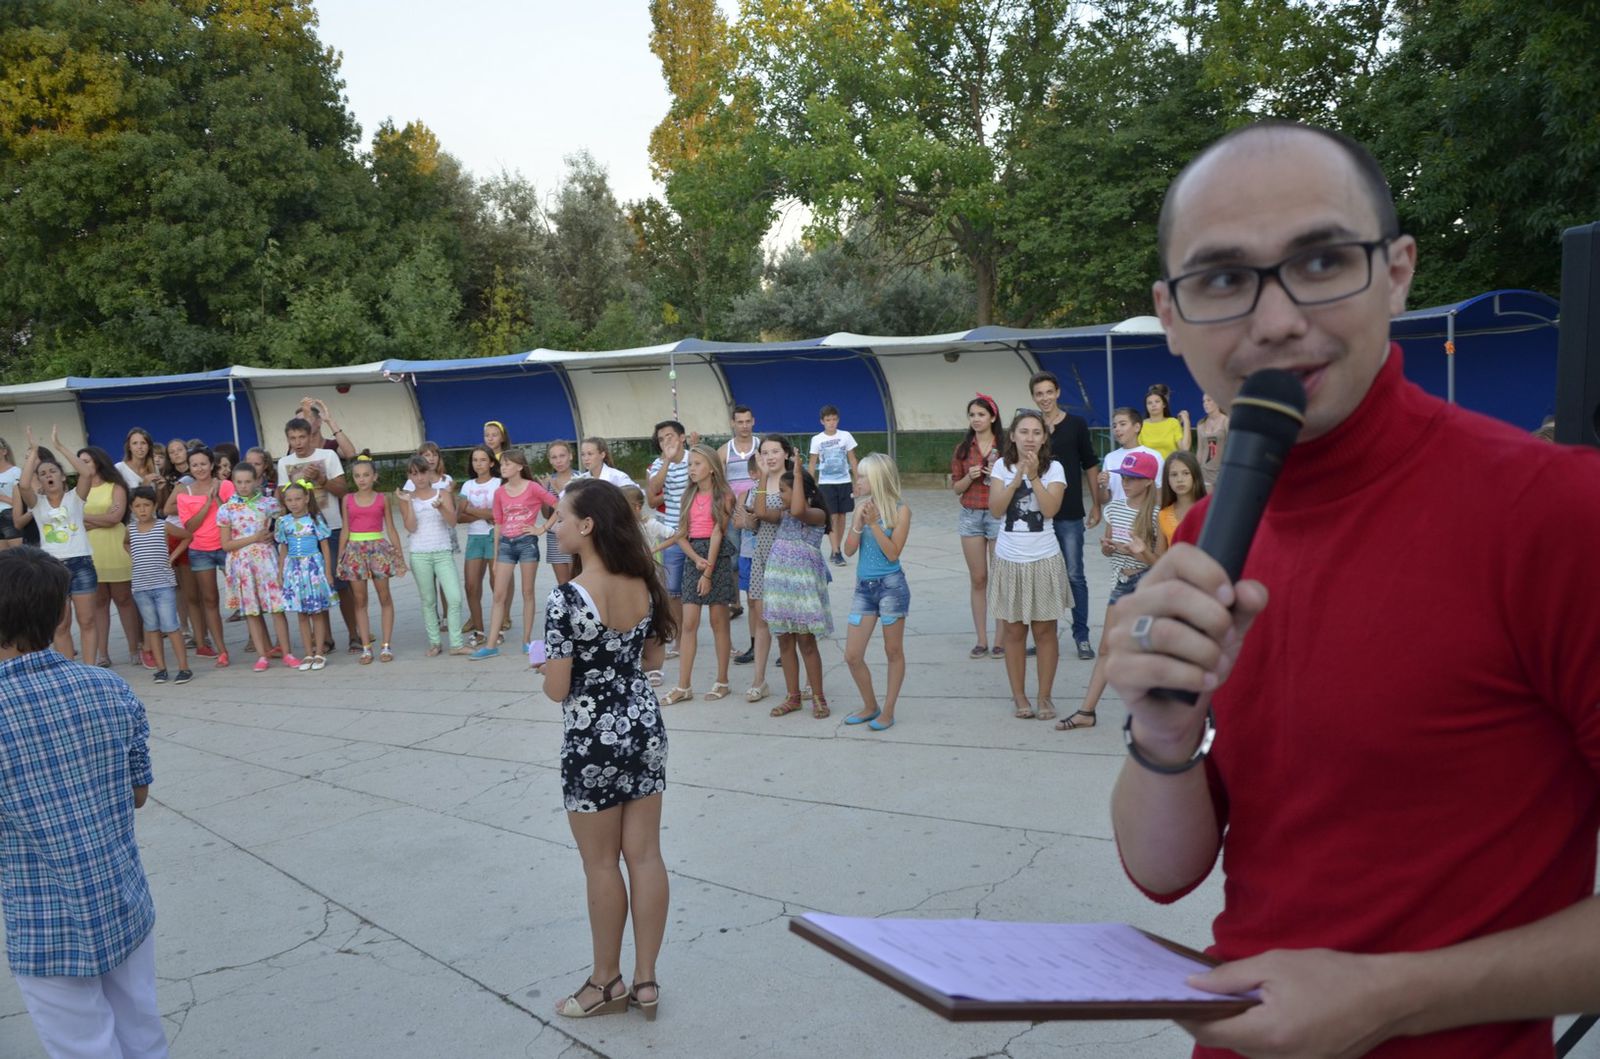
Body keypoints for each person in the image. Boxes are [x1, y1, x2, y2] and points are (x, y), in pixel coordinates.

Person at [1107, 120, 1600, 1058]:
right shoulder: (1206, 535)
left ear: (1398, 272)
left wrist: (1394, 995)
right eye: (1223, 279)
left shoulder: (1558, 513)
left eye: (1322, 261)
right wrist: (1163, 736)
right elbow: (1164, 872)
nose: (1276, 320)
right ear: (1169, 315)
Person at [0, 547, 168, 1059]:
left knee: (81, 1048)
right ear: (62, 614)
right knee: (143, 1032)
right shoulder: (107, 686)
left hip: (42, 922)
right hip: (122, 896)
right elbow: (138, 793)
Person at [542, 479, 674, 1023]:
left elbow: (557, 689)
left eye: (560, 517)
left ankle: (605, 981)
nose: (554, 525)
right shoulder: (645, 582)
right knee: (645, 856)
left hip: (592, 737)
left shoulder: (567, 598)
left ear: (587, 525)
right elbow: (652, 660)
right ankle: (646, 980)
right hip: (643, 726)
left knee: (600, 863)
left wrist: (549, 668)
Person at [1065, 450, 1162, 733]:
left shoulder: (1157, 514)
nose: (1126, 483)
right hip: (1121, 582)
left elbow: (1161, 562)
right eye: (1124, 477)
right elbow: (1108, 548)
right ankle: (1087, 711)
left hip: (1147, 584)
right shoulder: (1115, 508)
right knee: (1107, 648)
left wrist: (1140, 552)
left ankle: (1158, 716)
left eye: (1132, 478)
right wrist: (1107, 548)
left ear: (1148, 481)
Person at [987, 410, 1068, 721]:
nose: (1030, 438)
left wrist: (1033, 476)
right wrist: (1017, 476)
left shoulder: (1055, 468)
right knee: (1013, 632)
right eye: (1024, 432)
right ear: (1012, 436)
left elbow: (1050, 510)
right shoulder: (1001, 466)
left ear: (1044, 437)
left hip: (1044, 558)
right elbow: (996, 510)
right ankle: (1019, 696)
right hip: (1009, 560)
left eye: (1036, 432)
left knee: (1045, 631)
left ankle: (1044, 696)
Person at [1030, 374, 1105, 661]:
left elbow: (1090, 464)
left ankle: (1081, 635)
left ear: (1058, 392)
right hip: (1037, 515)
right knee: (1041, 577)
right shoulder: (1031, 428)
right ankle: (1043, 636)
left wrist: (1097, 505)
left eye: (1049, 392)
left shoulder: (1076, 425)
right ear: (1034, 397)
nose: (1045, 398)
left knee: (1074, 575)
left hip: (1070, 512)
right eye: (1039, 393)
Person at [658, 444, 737, 705]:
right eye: (690, 464)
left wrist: (708, 571)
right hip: (694, 555)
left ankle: (722, 680)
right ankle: (684, 686)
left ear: (712, 468)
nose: (692, 468)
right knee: (689, 623)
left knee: (718, 621)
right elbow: (681, 533)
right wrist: (694, 559)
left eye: (697, 464)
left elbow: (717, 532)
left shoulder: (724, 495)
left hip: (717, 556)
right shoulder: (688, 495)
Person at [12, 427, 98, 662]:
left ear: (62, 476)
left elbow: (86, 474)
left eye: (53, 471)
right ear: (40, 480)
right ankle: (68, 668)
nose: (48, 475)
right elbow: (24, 485)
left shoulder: (75, 498)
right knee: (60, 625)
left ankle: (89, 668)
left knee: (87, 620)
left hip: (81, 563)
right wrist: (33, 452)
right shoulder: (37, 503)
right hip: (53, 568)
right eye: (43, 473)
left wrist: (59, 446)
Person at [841, 453, 911, 732]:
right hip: (864, 589)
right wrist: (858, 523)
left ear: (878, 479)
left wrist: (873, 524)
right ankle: (870, 705)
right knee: (852, 654)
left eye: (862, 476)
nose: (857, 481)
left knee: (893, 651)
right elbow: (847, 551)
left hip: (891, 587)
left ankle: (889, 710)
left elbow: (893, 553)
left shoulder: (900, 510)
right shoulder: (862, 507)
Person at [471, 450, 559, 660]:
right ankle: (491, 645)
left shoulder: (533, 487)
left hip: (527, 544)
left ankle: (526, 641)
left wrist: (542, 528)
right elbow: (498, 524)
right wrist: (495, 557)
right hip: (505, 545)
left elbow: (559, 505)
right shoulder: (500, 492)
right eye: (502, 464)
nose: (503, 467)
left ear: (520, 466)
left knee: (527, 592)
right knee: (498, 595)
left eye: (508, 464)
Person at [760, 466, 832, 719]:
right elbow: (760, 512)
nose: (779, 495)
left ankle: (818, 697)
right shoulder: (783, 514)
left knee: (806, 643)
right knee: (785, 641)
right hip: (780, 586)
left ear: (803, 491)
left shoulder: (816, 514)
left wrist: (799, 474)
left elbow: (800, 510)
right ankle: (793, 697)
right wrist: (763, 477)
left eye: (783, 490)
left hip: (802, 590)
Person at [277, 417, 353, 653]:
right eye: (293, 438)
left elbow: (343, 490)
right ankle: (325, 639)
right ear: (288, 440)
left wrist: (321, 479)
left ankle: (354, 634)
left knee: (340, 584)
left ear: (311, 436)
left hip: (331, 527)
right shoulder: (284, 462)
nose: (298, 442)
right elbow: (281, 498)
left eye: (302, 437)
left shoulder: (328, 456)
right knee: (313, 588)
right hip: (300, 535)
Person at [215, 462, 291, 673]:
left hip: (266, 561)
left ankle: (287, 652)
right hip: (242, 564)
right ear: (233, 482)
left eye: (248, 481)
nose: (243, 486)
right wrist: (254, 538)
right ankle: (262, 655)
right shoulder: (226, 509)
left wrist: (273, 535)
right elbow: (226, 544)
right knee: (251, 611)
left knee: (276, 607)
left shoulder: (269, 504)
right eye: (239, 482)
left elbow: (284, 523)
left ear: (257, 481)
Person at [164, 446, 233, 667]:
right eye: (195, 465)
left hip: (227, 545)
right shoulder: (185, 492)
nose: (199, 468)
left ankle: (259, 642)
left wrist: (217, 497)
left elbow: (233, 515)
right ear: (190, 467)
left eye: (203, 464)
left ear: (211, 465)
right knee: (210, 599)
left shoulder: (225, 485)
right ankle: (222, 650)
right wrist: (207, 502)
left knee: (243, 595)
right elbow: (190, 527)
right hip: (200, 550)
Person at [395, 455, 469, 657]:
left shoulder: (443, 493)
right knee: (428, 601)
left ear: (429, 473)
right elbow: (411, 527)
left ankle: (456, 643)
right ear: (409, 476)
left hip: (442, 551)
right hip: (420, 553)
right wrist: (409, 504)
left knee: (454, 597)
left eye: (422, 472)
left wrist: (441, 507)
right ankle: (435, 642)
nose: (419, 478)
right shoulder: (406, 498)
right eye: (414, 474)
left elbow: (452, 522)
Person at [735, 435, 791, 704]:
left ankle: (802, 683)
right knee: (761, 619)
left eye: (775, 451)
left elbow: (777, 516)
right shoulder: (758, 485)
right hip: (762, 554)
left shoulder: (793, 482)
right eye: (765, 452)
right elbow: (753, 522)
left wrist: (755, 515)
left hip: (789, 556)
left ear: (786, 454)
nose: (769, 457)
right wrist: (747, 520)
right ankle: (759, 680)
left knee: (793, 621)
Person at [335, 454, 405, 664]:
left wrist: (399, 556)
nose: (362, 479)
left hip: (378, 550)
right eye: (357, 476)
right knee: (360, 600)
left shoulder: (382, 499)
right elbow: (345, 529)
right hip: (354, 551)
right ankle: (366, 647)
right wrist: (340, 557)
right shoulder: (347, 499)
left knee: (385, 597)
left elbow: (391, 529)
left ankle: (386, 645)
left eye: (366, 475)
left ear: (374, 476)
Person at [950, 394, 1004, 658]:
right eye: (972, 415)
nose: (976, 419)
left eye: (981, 414)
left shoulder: (1005, 447)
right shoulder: (963, 449)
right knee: (979, 578)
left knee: (1000, 578)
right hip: (971, 515)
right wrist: (969, 478)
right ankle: (981, 639)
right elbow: (956, 487)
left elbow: (1016, 482)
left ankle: (1001, 640)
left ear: (992, 417)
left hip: (998, 515)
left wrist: (998, 476)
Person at [79, 445, 141, 667]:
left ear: (98, 461)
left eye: (86, 461)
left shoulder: (115, 486)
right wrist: (100, 518)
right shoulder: (79, 490)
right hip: (90, 550)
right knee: (99, 602)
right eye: (80, 462)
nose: (83, 465)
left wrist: (86, 518)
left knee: (124, 599)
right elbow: (74, 519)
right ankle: (103, 654)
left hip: (115, 546)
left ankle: (134, 648)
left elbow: (115, 518)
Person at [125, 486, 192, 684]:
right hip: (141, 587)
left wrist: (172, 557)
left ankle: (184, 667)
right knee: (152, 627)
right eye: (138, 506)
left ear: (154, 506)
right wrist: (133, 557)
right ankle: (161, 668)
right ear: (132, 508)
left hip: (163, 585)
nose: (142, 510)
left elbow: (186, 536)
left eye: (146, 505)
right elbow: (126, 543)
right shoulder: (130, 529)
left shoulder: (163, 526)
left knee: (171, 626)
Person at [275, 480, 334, 671]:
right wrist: (281, 572)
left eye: (298, 499)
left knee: (316, 612)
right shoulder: (283, 522)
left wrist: (327, 572)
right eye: (289, 500)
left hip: (313, 569)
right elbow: (283, 548)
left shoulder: (315, 519)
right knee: (301, 613)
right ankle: (308, 653)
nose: (294, 503)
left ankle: (319, 652)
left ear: (307, 498)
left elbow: (325, 546)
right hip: (294, 569)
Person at [457, 445, 502, 646]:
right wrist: (485, 514)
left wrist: (472, 510)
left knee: (496, 584)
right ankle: (479, 630)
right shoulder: (467, 486)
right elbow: (459, 516)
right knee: (471, 585)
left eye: (483, 460)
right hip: (474, 537)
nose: (478, 464)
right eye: (475, 460)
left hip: (494, 536)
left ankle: (498, 629)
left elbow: (498, 515)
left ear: (491, 463)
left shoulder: (498, 483)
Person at [723, 406, 759, 658]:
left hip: (762, 510)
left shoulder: (762, 446)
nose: (744, 425)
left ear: (753, 422)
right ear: (733, 423)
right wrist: (729, 508)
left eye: (748, 421)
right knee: (735, 561)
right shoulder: (725, 450)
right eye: (740, 421)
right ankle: (735, 602)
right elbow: (719, 480)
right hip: (735, 513)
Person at [807, 404, 857, 565]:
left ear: (838, 420)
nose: (831, 423)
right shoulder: (817, 439)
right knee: (832, 516)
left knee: (842, 516)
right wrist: (810, 485)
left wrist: (857, 481)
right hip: (826, 483)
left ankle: (837, 548)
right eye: (828, 420)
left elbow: (852, 459)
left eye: (834, 419)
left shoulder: (846, 436)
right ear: (822, 421)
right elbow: (812, 463)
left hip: (844, 481)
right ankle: (836, 551)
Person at [1096, 406, 1164, 507]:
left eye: (1122, 424)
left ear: (1137, 427)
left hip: (1144, 515)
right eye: (1114, 426)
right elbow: (1104, 500)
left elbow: (1159, 494)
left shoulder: (1154, 456)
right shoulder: (1110, 458)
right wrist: (1103, 486)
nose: (1117, 429)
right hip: (1117, 515)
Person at [542, 440, 578, 588]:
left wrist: (559, 492)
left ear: (570, 456)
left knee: (578, 583)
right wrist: (544, 492)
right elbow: (546, 514)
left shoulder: (580, 478)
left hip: (577, 535)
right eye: (554, 457)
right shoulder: (549, 481)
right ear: (550, 460)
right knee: (563, 586)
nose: (558, 461)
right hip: (555, 537)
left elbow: (579, 508)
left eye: (562, 456)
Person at [1157, 450, 1206, 549]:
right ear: (1167, 480)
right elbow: (1160, 555)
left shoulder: (1209, 510)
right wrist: (1143, 551)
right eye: (1174, 474)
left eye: (1186, 473)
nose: (1180, 479)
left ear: (1195, 475)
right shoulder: (1163, 515)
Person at [1139, 383, 1191, 460]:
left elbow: (1185, 448)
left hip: (1170, 466)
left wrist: (1186, 421)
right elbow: (1138, 453)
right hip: (1149, 466)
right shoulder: (1141, 425)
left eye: (1157, 401)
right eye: (1149, 403)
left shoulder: (1173, 422)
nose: (1153, 405)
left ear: (1164, 404)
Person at [1194, 392, 1228, 489]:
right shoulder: (1201, 424)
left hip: (1222, 471)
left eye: (1209, 400)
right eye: (1204, 401)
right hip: (1204, 471)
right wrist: (1195, 470)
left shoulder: (1226, 421)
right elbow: (1200, 450)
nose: (1205, 403)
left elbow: (1232, 447)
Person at [0, 436, 21, 551]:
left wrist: (2, 497)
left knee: (18, 554)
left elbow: (22, 502)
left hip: (10, 514)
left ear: (4, 451)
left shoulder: (15, 472)